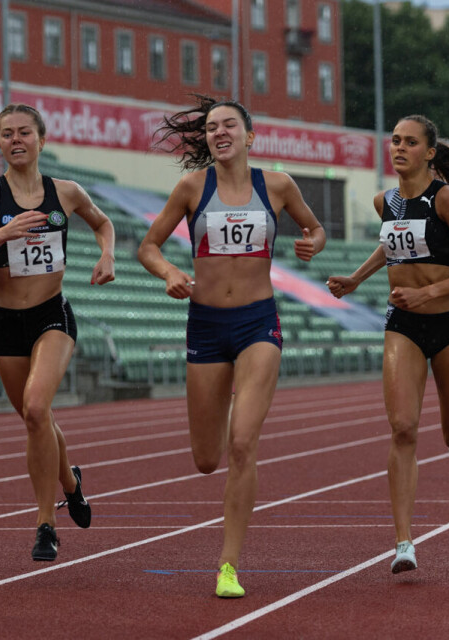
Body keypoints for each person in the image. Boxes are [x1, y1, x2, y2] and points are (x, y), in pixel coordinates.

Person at [137, 95, 325, 598]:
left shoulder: (277, 185)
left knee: (243, 443)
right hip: (205, 326)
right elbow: (147, 246)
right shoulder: (192, 187)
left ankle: (228, 565)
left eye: (228, 125)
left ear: (249, 135)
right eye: (211, 127)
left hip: (258, 323)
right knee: (206, 458)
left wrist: (313, 243)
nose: (219, 132)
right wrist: (171, 272)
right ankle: (217, 423)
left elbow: (314, 227)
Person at [326, 114, 449, 575]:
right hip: (402, 324)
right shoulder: (384, 201)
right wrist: (355, 278)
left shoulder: (445, 199)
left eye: (410, 142)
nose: (399, 148)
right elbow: (391, 245)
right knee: (403, 427)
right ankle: (404, 542)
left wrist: (428, 292)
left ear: (429, 152)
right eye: (395, 141)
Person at [0, 103, 115, 561]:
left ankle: (45, 523)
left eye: (24, 132)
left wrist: (107, 255)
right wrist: (2, 234)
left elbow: (103, 223)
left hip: (51, 315)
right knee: (35, 419)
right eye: (6, 134)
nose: (15, 140)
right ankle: (71, 483)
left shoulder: (65, 192)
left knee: (37, 405)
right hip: (4, 321)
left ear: (41, 139)